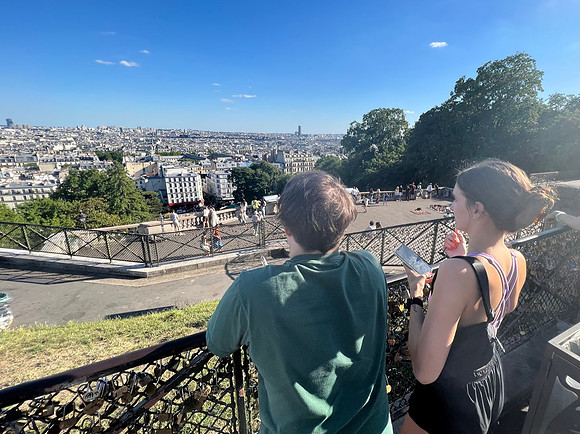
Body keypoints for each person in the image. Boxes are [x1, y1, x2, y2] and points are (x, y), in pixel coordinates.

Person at [206, 171, 392, 433]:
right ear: (343, 227)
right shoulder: (370, 266)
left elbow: (218, 343)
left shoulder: (251, 289)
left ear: (287, 228)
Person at [400, 159, 554, 434]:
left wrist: (416, 294)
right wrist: (465, 258)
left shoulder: (457, 273)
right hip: (484, 387)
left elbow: (424, 371)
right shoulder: (517, 260)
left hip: (445, 401)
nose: (451, 206)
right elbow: (496, 306)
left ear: (477, 209)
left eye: (456, 199)